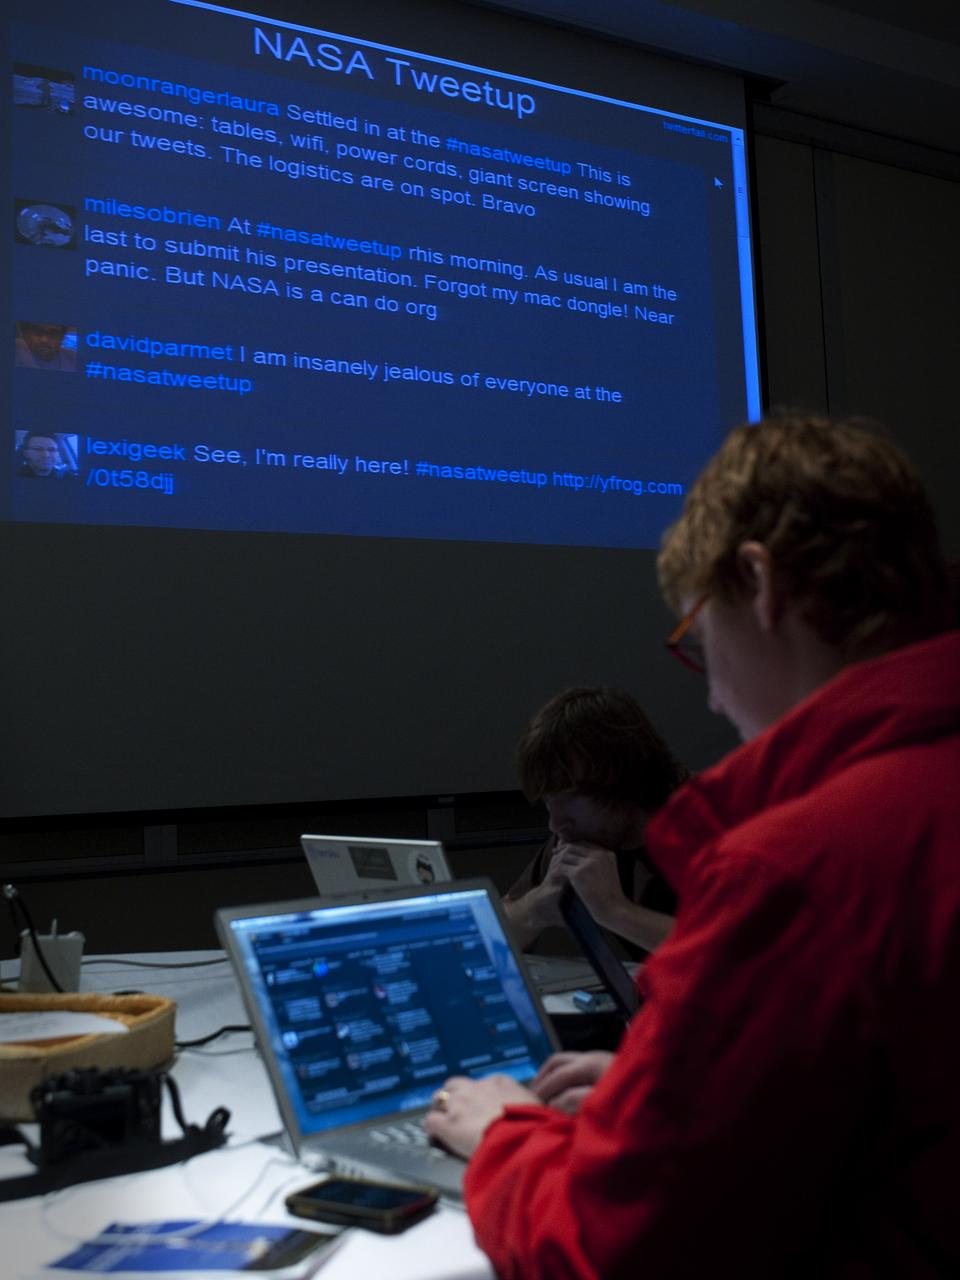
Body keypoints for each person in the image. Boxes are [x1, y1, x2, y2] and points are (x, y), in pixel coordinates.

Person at [426, 414, 960, 1277]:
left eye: (699, 644)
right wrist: (683, 1091)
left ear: (759, 585)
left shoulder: (800, 867)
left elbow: (615, 1246)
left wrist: (504, 1133)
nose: (712, 698)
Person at [503, 687, 684, 956]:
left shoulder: (714, 822)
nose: (555, 823)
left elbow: (735, 953)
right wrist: (536, 908)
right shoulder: (583, 832)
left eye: (572, 798)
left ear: (627, 781)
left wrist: (614, 910)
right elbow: (491, 934)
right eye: (548, 801)